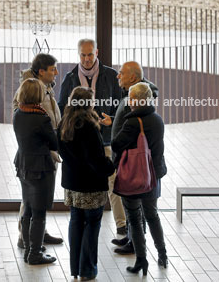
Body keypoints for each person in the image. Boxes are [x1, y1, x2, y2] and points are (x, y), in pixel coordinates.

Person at [58, 39, 126, 235]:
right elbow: (63, 109)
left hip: (105, 139)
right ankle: (81, 222)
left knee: (114, 183)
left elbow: (122, 106)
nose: (87, 59)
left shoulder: (112, 76)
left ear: (97, 52)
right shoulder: (70, 78)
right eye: (83, 55)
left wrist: (112, 120)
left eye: (90, 55)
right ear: (78, 54)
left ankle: (121, 225)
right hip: (80, 143)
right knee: (83, 184)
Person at [58, 87, 115, 280]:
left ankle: (75, 269)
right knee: (92, 223)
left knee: (76, 221)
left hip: (72, 184)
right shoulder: (88, 126)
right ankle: (88, 270)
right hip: (90, 185)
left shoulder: (64, 122)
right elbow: (96, 159)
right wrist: (110, 167)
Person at [112, 82, 168, 275]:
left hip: (135, 178)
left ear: (137, 100)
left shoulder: (133, 122)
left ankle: (141, 260)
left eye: (131, 97)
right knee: (152, 216)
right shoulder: (157, 119)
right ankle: (163, 254)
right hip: (153, 176)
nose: (129, 100)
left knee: (135, 219)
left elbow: (116, 144)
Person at [105, 62, 159, 255]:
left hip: (132, 163)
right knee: (131, 207)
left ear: (134, 78)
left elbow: (131, 132)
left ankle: (136, 243)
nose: (118, 76)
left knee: (137, 208)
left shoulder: (137, 99)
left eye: (122, 74)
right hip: (126, 160)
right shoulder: (130, 94)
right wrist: (114, 121)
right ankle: (130, 236)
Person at [13, 53, 64, 249]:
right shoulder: (29, 90)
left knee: (37, 200)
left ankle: (38, 234)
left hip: (45, 152)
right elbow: (21, 118)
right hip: (39, 153)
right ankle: (26, 239)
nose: (56, 73)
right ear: (41, 71)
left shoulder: (46, 87)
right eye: (52, 69)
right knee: (32, 201)